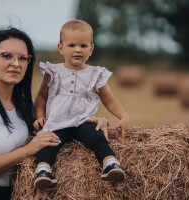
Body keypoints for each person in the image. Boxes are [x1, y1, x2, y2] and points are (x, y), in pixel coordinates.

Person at [0, 27, 109, 200]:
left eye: (23, 58)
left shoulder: (28, 106)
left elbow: (68, 122)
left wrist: (97, 121)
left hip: (14, 194)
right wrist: (29, 150)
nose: (16, 64)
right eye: (6, 56)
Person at [33, 20, 130, 189]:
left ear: (91, 49)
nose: (78, 50)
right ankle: (43, 171)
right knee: (47, 142)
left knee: (97, 136)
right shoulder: (53, 72)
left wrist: (123, 116)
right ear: (61, 47)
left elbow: (108, 99)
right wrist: (40, 115)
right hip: (57, 122)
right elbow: (41, 95)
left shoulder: (95, 74)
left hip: (83, 121)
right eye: (71, 45)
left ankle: (110, 163)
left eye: (83, 46)